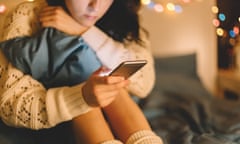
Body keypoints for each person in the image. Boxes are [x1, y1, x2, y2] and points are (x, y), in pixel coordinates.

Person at [0, 0, 163, 144]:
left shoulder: (124, 13)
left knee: (112, 83)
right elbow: (10, 107)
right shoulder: (27, 15)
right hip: (60, 121)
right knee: (88, 88)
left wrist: (83, 31)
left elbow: (144, 84)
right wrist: (82, 96)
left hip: (118, 111)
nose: (95, 6)